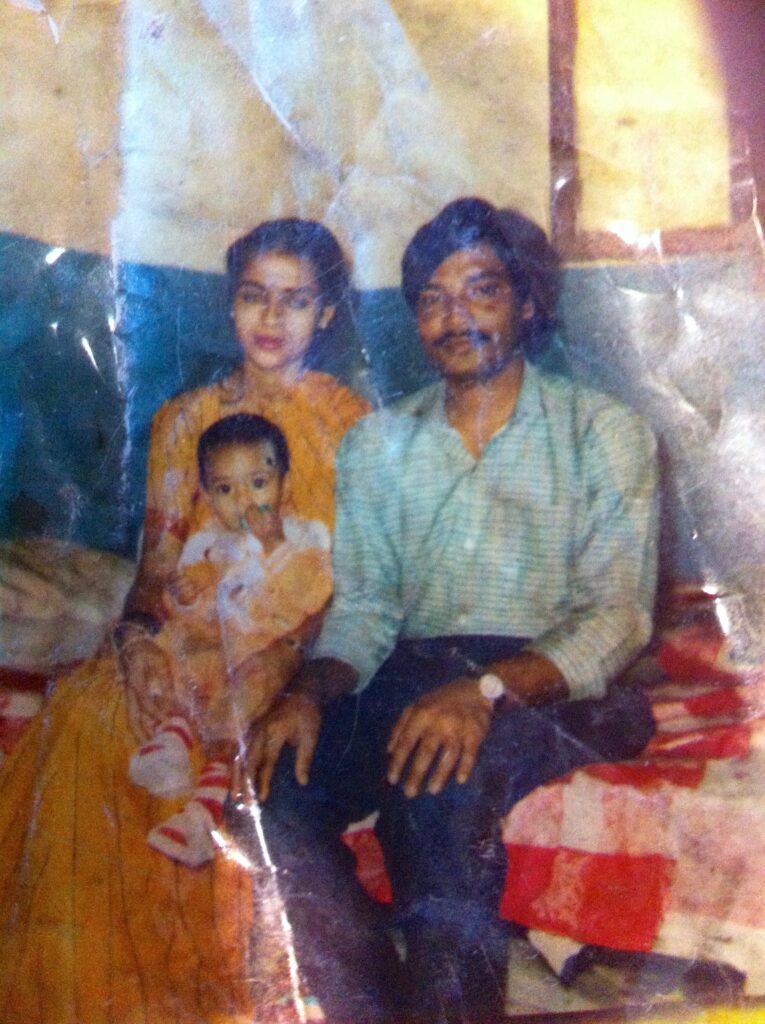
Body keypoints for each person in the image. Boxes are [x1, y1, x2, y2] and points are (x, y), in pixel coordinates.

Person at [248, 198, 660, 1023]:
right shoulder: (378, 444)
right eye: (432, 299)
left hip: (556, 683)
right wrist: (307, 692)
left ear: (528, 302)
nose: (454, 317)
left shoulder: (603, 432)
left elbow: (616, 617)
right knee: (269, 799)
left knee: (437, 789)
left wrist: (486, 693)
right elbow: (364, 609)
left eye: (481, 290)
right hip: (418, 672)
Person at [0, 219, 368, 1023]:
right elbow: (158, 572)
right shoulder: (180, 419)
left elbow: (347, 583)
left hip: (294, 649)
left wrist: (281, 663)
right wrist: (134, 646)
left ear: (327, 315)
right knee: (94, 711)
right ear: (229, 306)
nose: (271, 320)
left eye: (295, 301)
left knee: (226, 723)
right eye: (252, 298)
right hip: (187, 634)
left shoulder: (352, 426)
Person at [128, 412, 333, 868]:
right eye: (225, 490)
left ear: (284, 481)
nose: (243, 500)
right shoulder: (209, 542)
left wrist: (275, 543)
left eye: (258, 483)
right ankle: (174, 738)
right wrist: (187, 589)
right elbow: (188, 593)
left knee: (245, 697)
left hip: (267, 650)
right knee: (178, 656)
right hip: (213, 645)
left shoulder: (303, 538)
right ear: (205, 493)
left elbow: (314, 594)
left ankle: (201, 817)